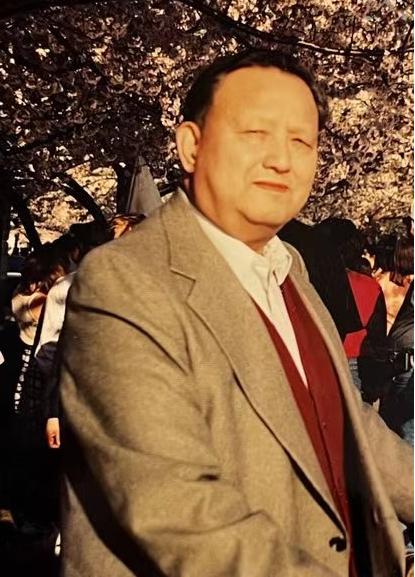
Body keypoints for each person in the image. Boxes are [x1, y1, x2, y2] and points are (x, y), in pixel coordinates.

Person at [60, 50, 413, 577]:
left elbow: (347, 422)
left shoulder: (288, 269)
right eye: (255, 133)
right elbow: (174, 507)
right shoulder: (126, 281)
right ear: (191, 145)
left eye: (301, 141)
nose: (281, 160)